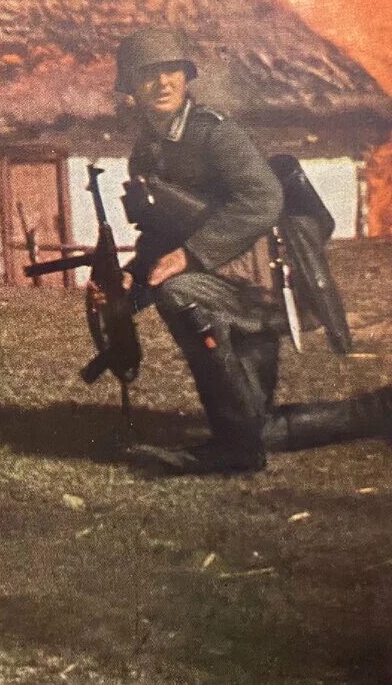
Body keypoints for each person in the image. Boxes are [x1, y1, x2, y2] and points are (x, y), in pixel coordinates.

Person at [115, 26, 392, 475]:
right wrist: (135, 271)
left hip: (261, 281)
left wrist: (191, 255)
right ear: (130, 87)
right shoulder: (145, 153)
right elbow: (162, 229)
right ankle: (376, 411)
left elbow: (263, 199)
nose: (162, 83)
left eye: (172, 71)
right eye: (148, 75)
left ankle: (236, 451)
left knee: (180, 292)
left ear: (186, 79)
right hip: (222, 282)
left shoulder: (216, 135)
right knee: (254, 426)